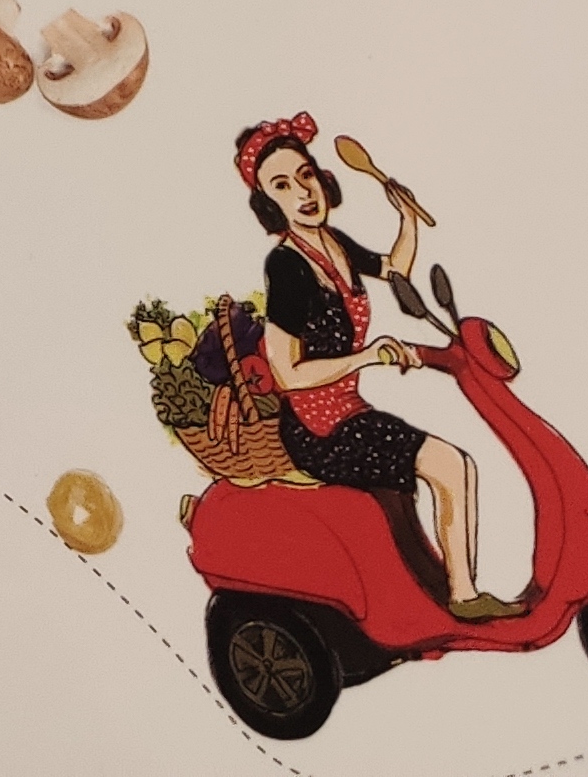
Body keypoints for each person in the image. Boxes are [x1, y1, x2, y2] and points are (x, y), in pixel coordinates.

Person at [202, 112, 517, 620]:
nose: (303, 191)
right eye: (282, 185)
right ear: (267, 203)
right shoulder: (287, 265)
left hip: (348, 411)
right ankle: (463, 596)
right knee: (451, 465)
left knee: (444, 465)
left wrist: (406, 217)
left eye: (306, 174)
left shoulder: (334, 243)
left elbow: (395, 270)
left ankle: (446, 588)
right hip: (318, 429)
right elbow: (287, 374)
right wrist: (369, 355)